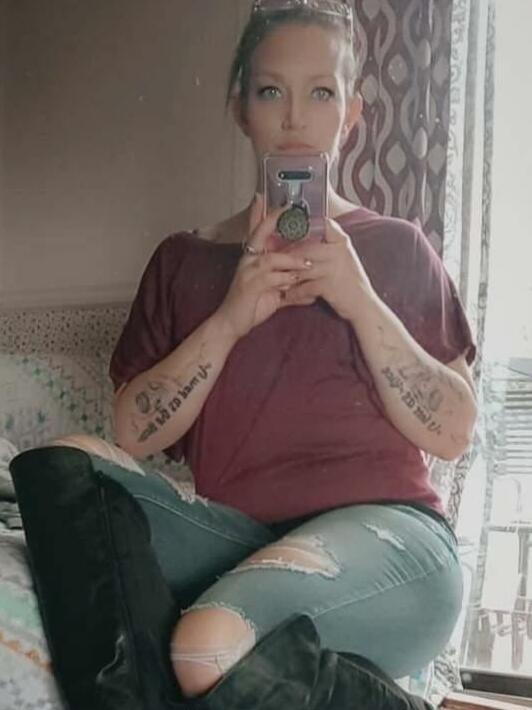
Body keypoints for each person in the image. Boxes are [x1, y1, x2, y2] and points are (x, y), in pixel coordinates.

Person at [11, 2, 478, 708]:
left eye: (320, 93)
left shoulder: (397, 248)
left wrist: (360, 300)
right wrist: (231, 317)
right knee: (60, 468)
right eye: (270, 91)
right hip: (240, 542)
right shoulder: (184, 260)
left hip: (393, 546)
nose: (294, 118)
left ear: (351, 115)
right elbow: (133, 432)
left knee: (205, 642)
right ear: (240, 109)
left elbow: (453, 432)